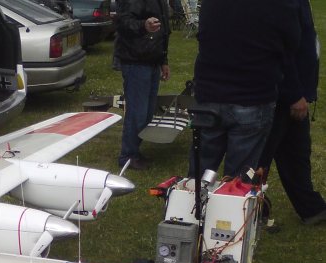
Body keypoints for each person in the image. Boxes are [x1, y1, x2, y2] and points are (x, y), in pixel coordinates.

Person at [188, 0, 301, 179]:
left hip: (210, 93)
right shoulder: (280, 5)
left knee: (199, 172)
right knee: (238, 180)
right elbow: (293, 42)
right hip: (252, 95)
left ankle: (191, 204)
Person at [259, 0, 326, 225]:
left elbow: (304, 44)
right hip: (281, 94)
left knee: (296, 153)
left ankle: (311, 208)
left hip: (296, 93)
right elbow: (282, 50)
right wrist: (293, 94)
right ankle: (247, 208)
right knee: (260, 158)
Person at [114, 0, 171, 170]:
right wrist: (143, 25)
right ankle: (127, 156)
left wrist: (163, 61)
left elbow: (163, 31)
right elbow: (123, 22)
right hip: (135, 60)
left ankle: (134, 152)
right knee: (137, 113)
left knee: (146, 114)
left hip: (151, 59)